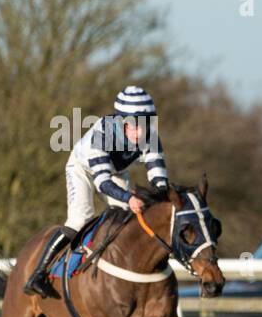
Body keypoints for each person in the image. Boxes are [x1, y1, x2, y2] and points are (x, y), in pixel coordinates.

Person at [23, 86, 169, 298]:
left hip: (115, 171)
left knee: (127, 221)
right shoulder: (102, 135)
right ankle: (38, 273)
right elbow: (103, 183)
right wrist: (129, 198)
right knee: (80, 218)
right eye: (135, 126)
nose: (141, 132)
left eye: (146, 124)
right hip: (83, 169)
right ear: (122, 121)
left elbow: (159, 181)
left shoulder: (151, 137)